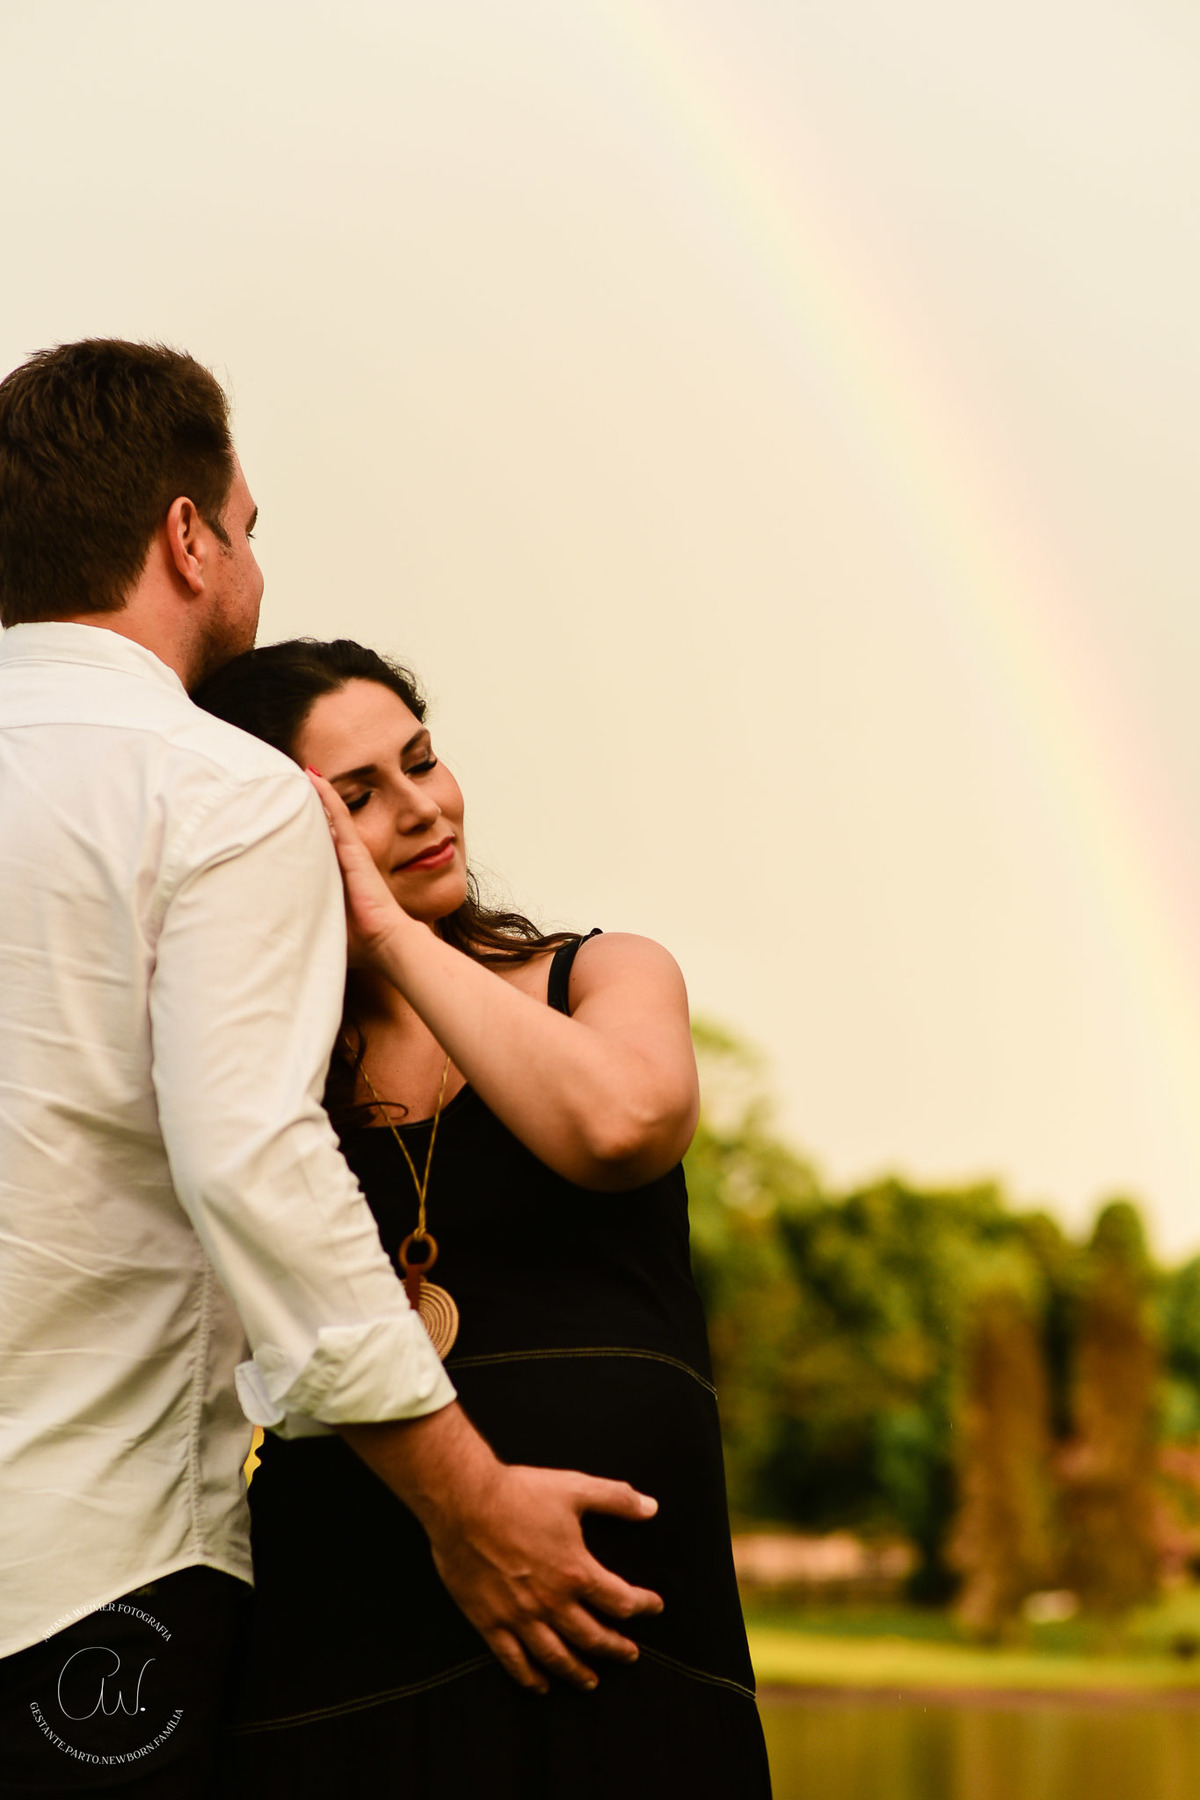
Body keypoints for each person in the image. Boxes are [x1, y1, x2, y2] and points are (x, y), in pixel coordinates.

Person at [0, 341, 661, 1799]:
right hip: (81, 1590)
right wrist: (465, 1500)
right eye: (247, 528)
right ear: (188, 538)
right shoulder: (214, 790)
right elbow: (250, 1156)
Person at [194, 638, 774, 1799]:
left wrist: (393, 938)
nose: (420, 807)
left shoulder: (603, 974)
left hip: (630, 1645)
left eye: (421, 761)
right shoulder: (256, 1064)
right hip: (352, 1649)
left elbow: (621, 1125)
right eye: (359, 796)